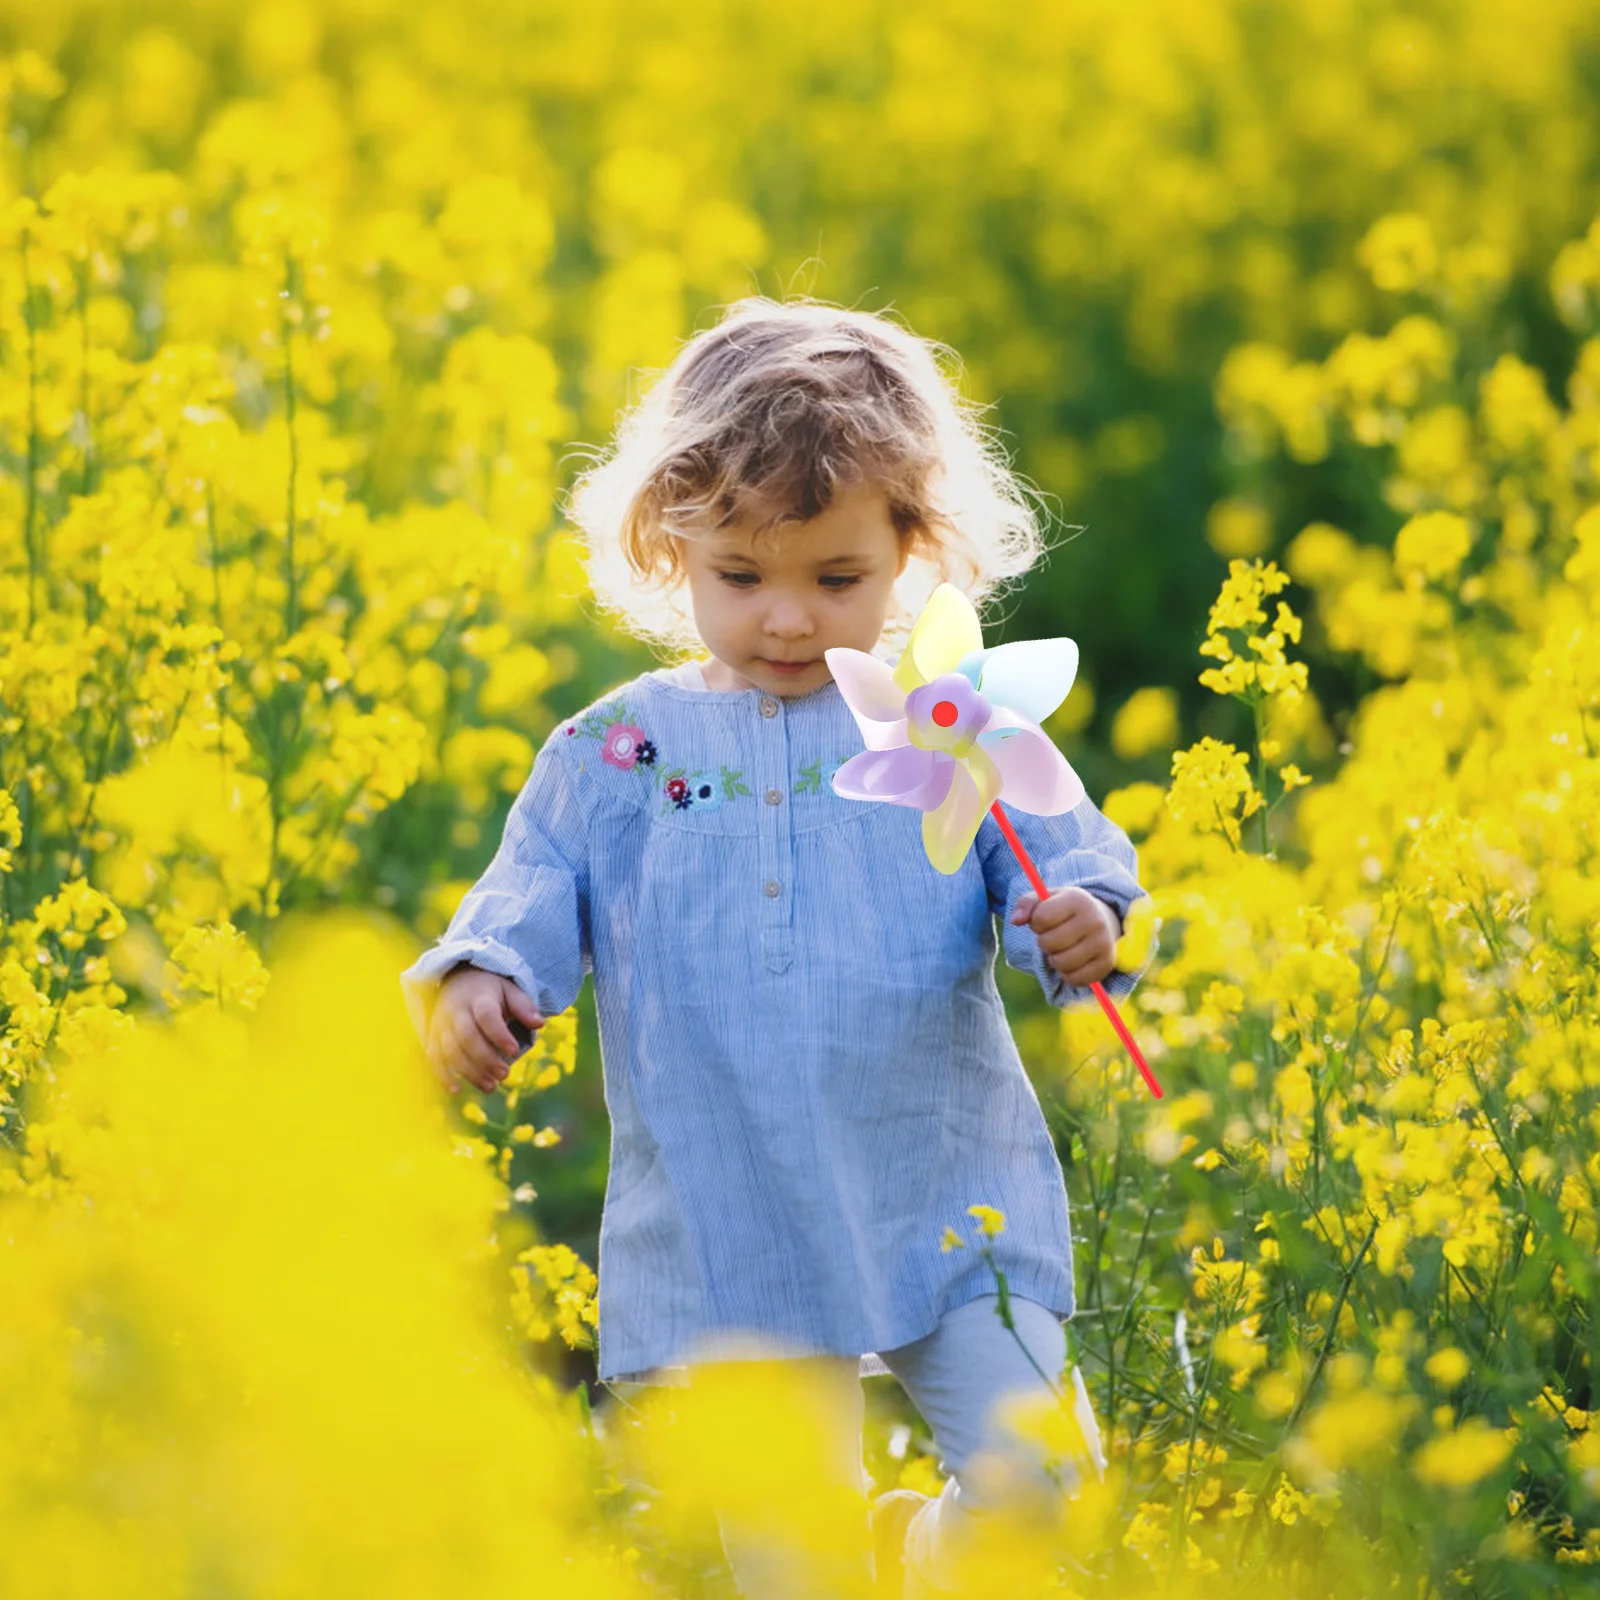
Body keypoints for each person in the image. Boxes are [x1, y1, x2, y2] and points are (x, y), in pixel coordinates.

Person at [399, 297, 1156, 1597]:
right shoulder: (614, 752)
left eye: (837, 579)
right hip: (730, 1215)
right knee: (789, 1573)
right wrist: (484, 982)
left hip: (943, 1187)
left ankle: (915, 1553)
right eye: (740, 579)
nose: (791, 621)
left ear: (917, 549)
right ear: (668, 548)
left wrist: (1089, 926)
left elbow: (1068, 868)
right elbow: (525, 898)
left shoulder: (952, 720)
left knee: (1045, 1495)